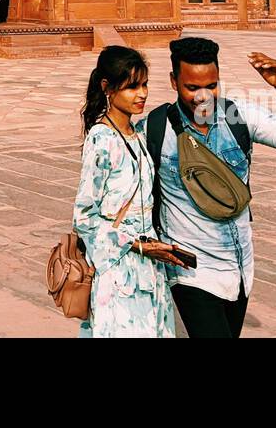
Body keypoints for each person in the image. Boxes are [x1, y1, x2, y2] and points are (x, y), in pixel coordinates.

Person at [146, 36, 276, 338]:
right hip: (190, 269)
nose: (203, 96)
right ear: (174, 82)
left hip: (239, 266)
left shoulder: (238, 117)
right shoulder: (154, 129)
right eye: (192, 87)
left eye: (212, 86)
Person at [73, 45, 180, 337]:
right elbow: (83, 218)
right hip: (120, 268)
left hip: (151, 267)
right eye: (132, 86)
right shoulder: (102, 139)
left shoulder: (139, 134)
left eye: (144, 84)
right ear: (107, 88)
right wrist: (136, 244)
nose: (142, 94)